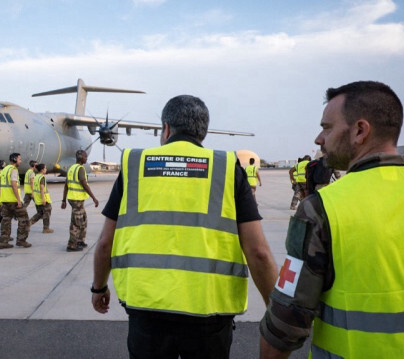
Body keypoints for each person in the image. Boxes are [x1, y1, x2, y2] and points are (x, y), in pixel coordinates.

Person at [259, 81, 404, 358]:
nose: (318, 139)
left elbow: (286, 325)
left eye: (327, 127)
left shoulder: (321, 208)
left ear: (360, 131)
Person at [92, 95, 279, 359]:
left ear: (165, 129)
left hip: (147, 308)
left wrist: (99, 287)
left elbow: (104, 243)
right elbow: (258, 251)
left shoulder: (135, 164)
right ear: (202, 132)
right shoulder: (225, 168)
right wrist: (277, 310)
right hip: (208, 310)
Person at [61, 150, 99, 252]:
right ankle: (72, 245)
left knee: (83, 220)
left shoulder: (71, 168)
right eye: (85, 156)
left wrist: (64, 200)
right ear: (80, 157)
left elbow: (66, 185)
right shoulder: (80, 169)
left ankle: (80, 240)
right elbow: (84, 184)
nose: (86, 158)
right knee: (76, 223)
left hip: (74, 198)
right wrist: (94, 198)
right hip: (76, 199)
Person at [0, 152, 31, 249]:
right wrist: (19, 200)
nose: (20, 161)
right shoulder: (13, 170)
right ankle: (21, 240)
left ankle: (3, 242)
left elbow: (0, 185)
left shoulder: (4, 170)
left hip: (5, 200)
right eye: (19, 159)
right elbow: (14, 185)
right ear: (15, 159)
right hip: (13, 200)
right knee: (24, 220)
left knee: (6, 221)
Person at [29, 163, 54, 233]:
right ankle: (46, 228)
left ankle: (28, 223)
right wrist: (43, 199)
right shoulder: (42, 177)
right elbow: (42, 188)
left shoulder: (36, 176)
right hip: (43, 198)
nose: (46, 169)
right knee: (47, 212)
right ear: (42, 170)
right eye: (45, 168)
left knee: (40, 213)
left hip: (37, 198)